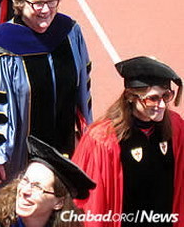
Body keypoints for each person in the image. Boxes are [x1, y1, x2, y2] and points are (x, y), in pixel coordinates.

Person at [0, 0, 93, 202]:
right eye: (37, 3)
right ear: (19, 4)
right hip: (17, 156)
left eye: (51, 1)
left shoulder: (69, 32)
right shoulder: (4, 47)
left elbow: (83, 84)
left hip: (63, 143)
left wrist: (84, 127)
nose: (45, 10)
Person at [72, 56, 184, 227]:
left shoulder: (175, 127)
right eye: (152, 98)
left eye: (166, 96)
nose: (161, 105)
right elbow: (92, 204)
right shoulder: (103, 140)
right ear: (131, 97)